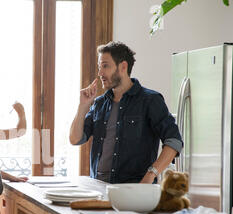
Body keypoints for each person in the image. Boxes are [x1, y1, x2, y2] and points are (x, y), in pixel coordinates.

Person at [69, 41, 183, 184]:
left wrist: (151, 175)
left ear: (123, 67)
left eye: (105, 66)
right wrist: (83, 106)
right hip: (98, 188)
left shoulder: (150, 100)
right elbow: (75, 139)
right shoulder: (99, 103)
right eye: (99, 67)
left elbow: (174, 141)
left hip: (134, 192)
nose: (100, 73)